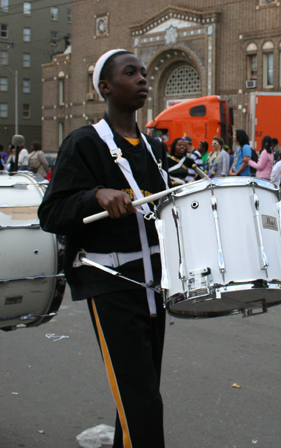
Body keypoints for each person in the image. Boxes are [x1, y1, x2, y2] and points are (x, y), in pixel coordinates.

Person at [38, 49, 169, 447]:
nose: (142, 78)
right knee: (142, 402)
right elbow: (51, 213)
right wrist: (95, 194)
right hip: (111, 282)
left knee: (140, 393)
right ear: (106, 87)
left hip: (154, 282)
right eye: (131, 73)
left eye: (143, 72)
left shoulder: (154, 148)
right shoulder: (84, 143)